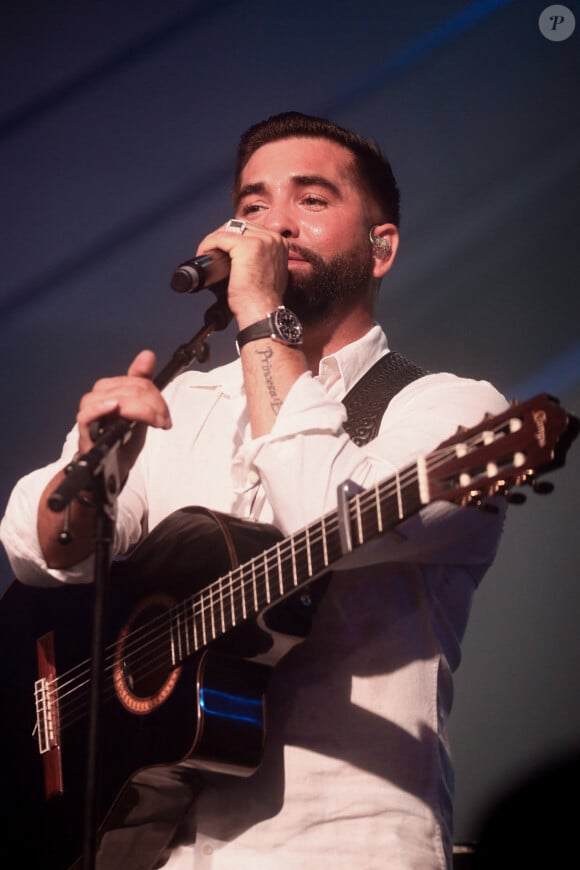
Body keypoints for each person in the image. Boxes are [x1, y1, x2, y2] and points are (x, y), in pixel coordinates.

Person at [1, 111, 508, 870]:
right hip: (143, 846)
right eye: (252, 205)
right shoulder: (192, 400)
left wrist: (260, 318)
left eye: (311, 200)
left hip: (339, 844)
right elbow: (37, 558)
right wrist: (87, 473)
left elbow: (316, 508)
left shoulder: (451, 412)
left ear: (382, 248)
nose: (273, 226)